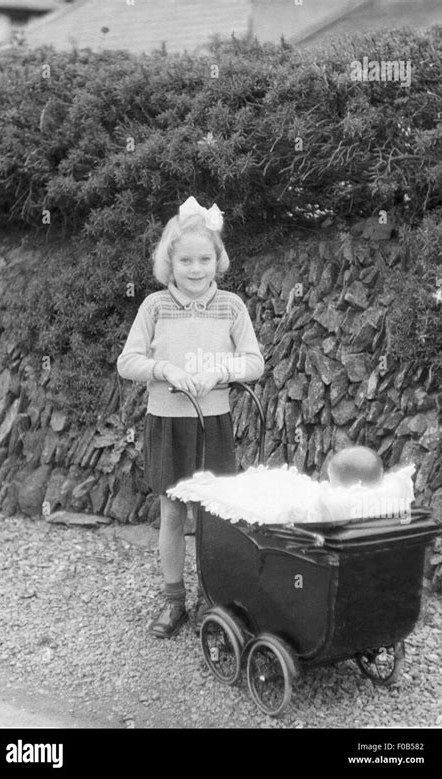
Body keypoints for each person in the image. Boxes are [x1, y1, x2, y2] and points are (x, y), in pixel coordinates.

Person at [117, 196, 265, 638]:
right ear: (170, 262)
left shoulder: (232, 306)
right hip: (167, 422)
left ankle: (215, 598)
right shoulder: (155, 307)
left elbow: (254, 362)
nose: (196, 269)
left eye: (204, 259)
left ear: (217, 261)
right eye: (186, 260)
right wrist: (165, 371)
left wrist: (223, 370)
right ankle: (173, 601)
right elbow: (128, 361)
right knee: (172, 513)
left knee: (216, 516)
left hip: (214, 424)